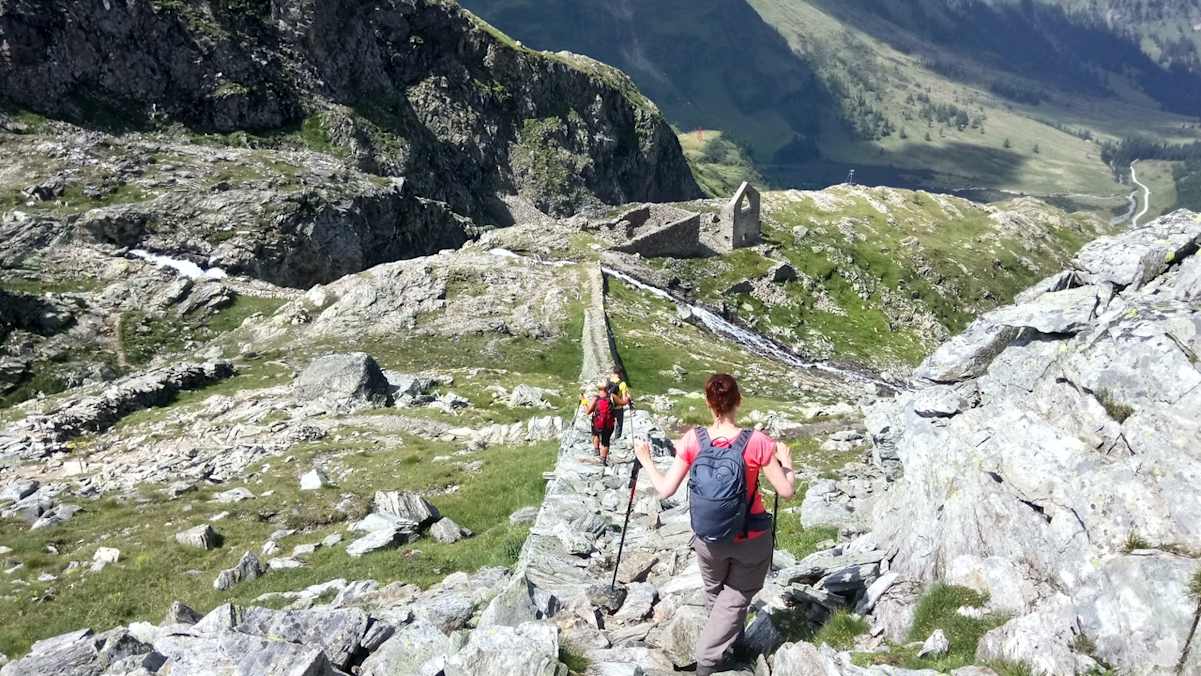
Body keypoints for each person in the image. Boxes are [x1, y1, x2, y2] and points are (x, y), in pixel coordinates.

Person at [634, 373, 795, 676]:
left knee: (716, 594)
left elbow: (666, 490)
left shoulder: (693, 439)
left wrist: (647, 461)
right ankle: (708, 660)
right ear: (739, 401)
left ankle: (728, 647)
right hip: (751, 538)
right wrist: (787, 463)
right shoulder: (758, 443)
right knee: (735, 600)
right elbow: (786, 491)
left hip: (708, 540)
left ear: (708, 402)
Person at [585, 381, 617, 466]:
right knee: (605, 442)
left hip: (597, 423)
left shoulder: (596, 398)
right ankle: (603, 460)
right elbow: (622, 403)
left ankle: (596, 450)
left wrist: (584, 401)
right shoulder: (611, 397)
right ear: (607, 388)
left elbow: (588, 411)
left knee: (595, 434)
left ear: (598, 388)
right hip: (608, 424)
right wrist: (627, 400)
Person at [607, 366, 632, 439]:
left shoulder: (608, 380)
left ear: (613, 372)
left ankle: (606, 438)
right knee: (619, 424)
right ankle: (617, 439)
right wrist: (628, 399)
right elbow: (624, 398)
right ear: (620, 373)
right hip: (618, 407)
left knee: (609, 423)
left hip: (609, 406)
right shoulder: (622, 384)